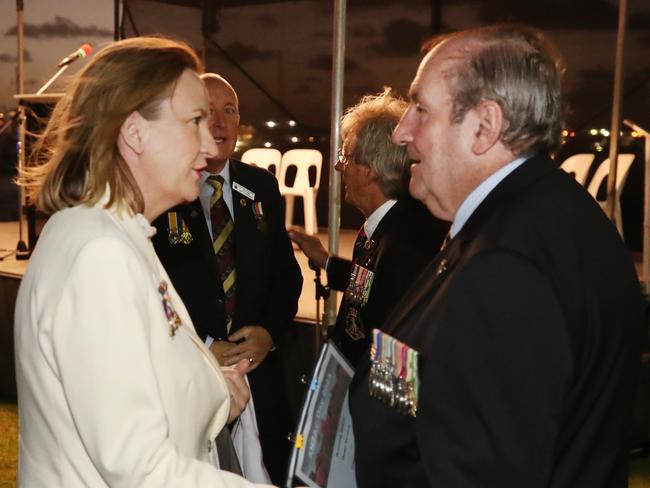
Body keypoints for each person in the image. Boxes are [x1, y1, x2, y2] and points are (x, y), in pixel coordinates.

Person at [349, 24, 644, 487]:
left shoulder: (508, 265)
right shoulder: (539, 215)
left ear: (484, 127)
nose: (402, 132)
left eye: (421, 109)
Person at [14, 37, 275, 487]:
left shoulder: (121, 236)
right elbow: (140, 467)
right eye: (194, 120)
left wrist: (214, 394)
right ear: (134, 131)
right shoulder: (98, 256)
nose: (209, 143)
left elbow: (144, 379)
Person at [152, 73, 302, 484]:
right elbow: (154, 292)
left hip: (259, 384)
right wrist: (202, 348)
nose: (219, 122)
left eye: (229, 111)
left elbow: (287, 278)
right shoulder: (164, 193)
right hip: (190, 383)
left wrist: (269, 334)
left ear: (240, 122)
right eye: (208, 112)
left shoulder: (261, 186)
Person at [289, 89, 447, 367]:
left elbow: (399, 357)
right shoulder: (383, 228)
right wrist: (326, 261)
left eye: (347, 156)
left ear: (371, 168)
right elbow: (369, 284)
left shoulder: (407, 245)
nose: (339, 166)